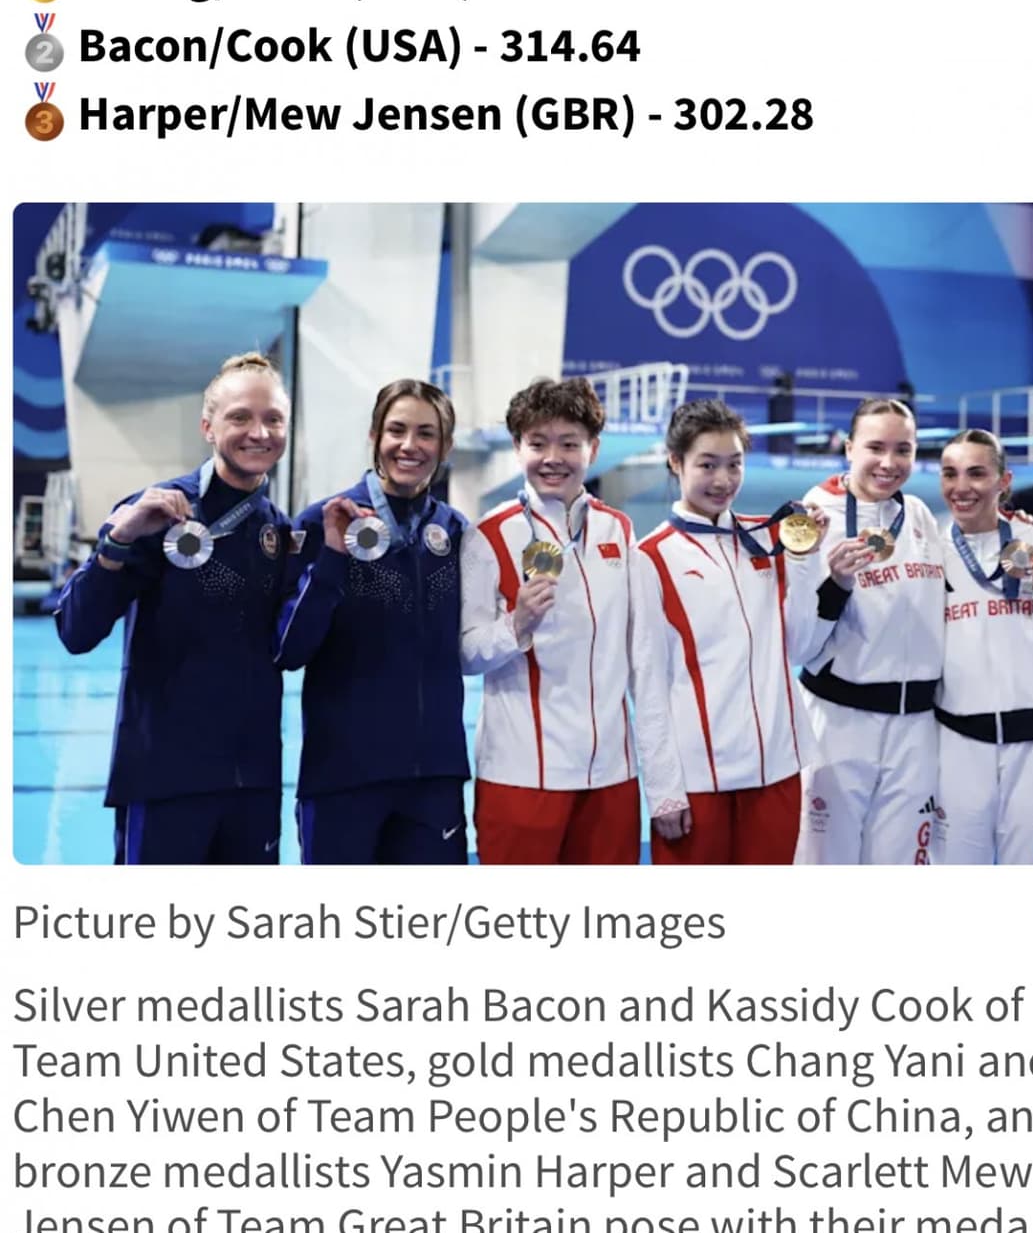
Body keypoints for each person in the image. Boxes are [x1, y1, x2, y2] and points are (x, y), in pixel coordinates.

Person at [55, 352, 293, 863]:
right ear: (208, 427)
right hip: (164, 776)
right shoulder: (155, 510)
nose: (259, 432)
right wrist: (118, 539)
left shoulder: (280, 531)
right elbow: (76, 631)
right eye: (240, 417)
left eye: (273, 418)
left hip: (252, 781)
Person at [459, 376, 683, 863]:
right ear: (518, 449)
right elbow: (465, 654)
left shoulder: (618, 530)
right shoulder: (489, 536)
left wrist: (663, 784)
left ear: (593, 448)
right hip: (522, 777)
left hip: (611, 778)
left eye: (569, 443)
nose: (552, 457)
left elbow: (643, 661)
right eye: (537, 443)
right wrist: (514, 627)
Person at [276, 379, 469, 864]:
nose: (410, 445)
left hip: (434, 778)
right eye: (396, 430)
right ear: (374, 435)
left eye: (426, 434)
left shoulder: (455, 531)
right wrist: (334, 557)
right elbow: (289, 649)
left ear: (444, 446)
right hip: (343, 774)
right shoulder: (323, 521)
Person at [637, 398, 837, 864]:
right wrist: (664, 788)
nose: (723, 480)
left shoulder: (770, 539)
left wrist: (807, 560)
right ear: (676, 462)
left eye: (734, 464)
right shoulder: (649, 557)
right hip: (698, 779)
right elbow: (646, 682)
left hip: (777, 769)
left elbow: (801, 646)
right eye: (707, 464)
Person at [795, 396, 946, 864]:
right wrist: (836, 584)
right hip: (840, 723)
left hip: (917, 729)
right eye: (876, 447)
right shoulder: (809, 518)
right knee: (826, 869)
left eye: (904, 449)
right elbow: (798, 641)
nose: (889, 462)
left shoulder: (918, 514)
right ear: (848, 448)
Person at [934, 429, 1033, 864]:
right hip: (958, 748)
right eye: (950, 474)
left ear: (1004, 481)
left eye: (977, 473)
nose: (962, 487)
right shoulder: (930, 554)